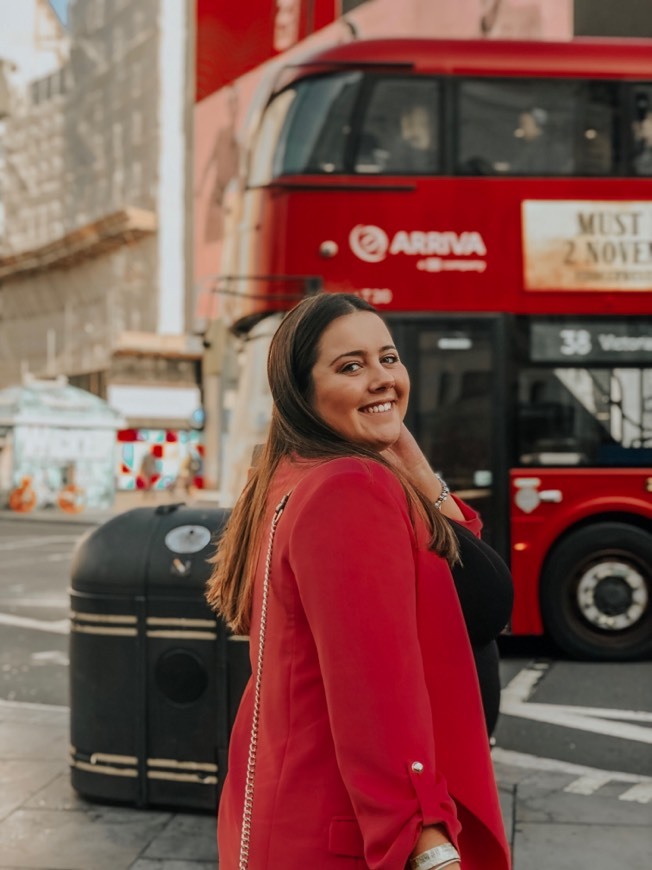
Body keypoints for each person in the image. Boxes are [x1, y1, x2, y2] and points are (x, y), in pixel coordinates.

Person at [206, 293, 512, 870]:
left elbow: (471, 580)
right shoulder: (350, 487)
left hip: (302, 813)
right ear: (303, 392)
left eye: (388, 359)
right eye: (351, 366)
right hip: (348, 837)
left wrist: (416, 467)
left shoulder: (300, 474)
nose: (382, 379)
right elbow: (374, 686)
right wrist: (424, 840)